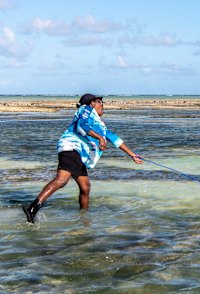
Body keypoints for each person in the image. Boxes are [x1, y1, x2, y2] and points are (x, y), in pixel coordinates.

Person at [23, 93, 143, 223]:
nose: (103, 105)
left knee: (85, 186)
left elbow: (114, 139)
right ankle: (33, 207)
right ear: (92, 103)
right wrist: (99, 138)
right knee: (62, 180)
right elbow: (82, 125)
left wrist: (132, 155)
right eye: (100, 102)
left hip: (79, 154)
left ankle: (84, 218)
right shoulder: (86, 110)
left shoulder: (100, 124)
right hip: (71, 147)